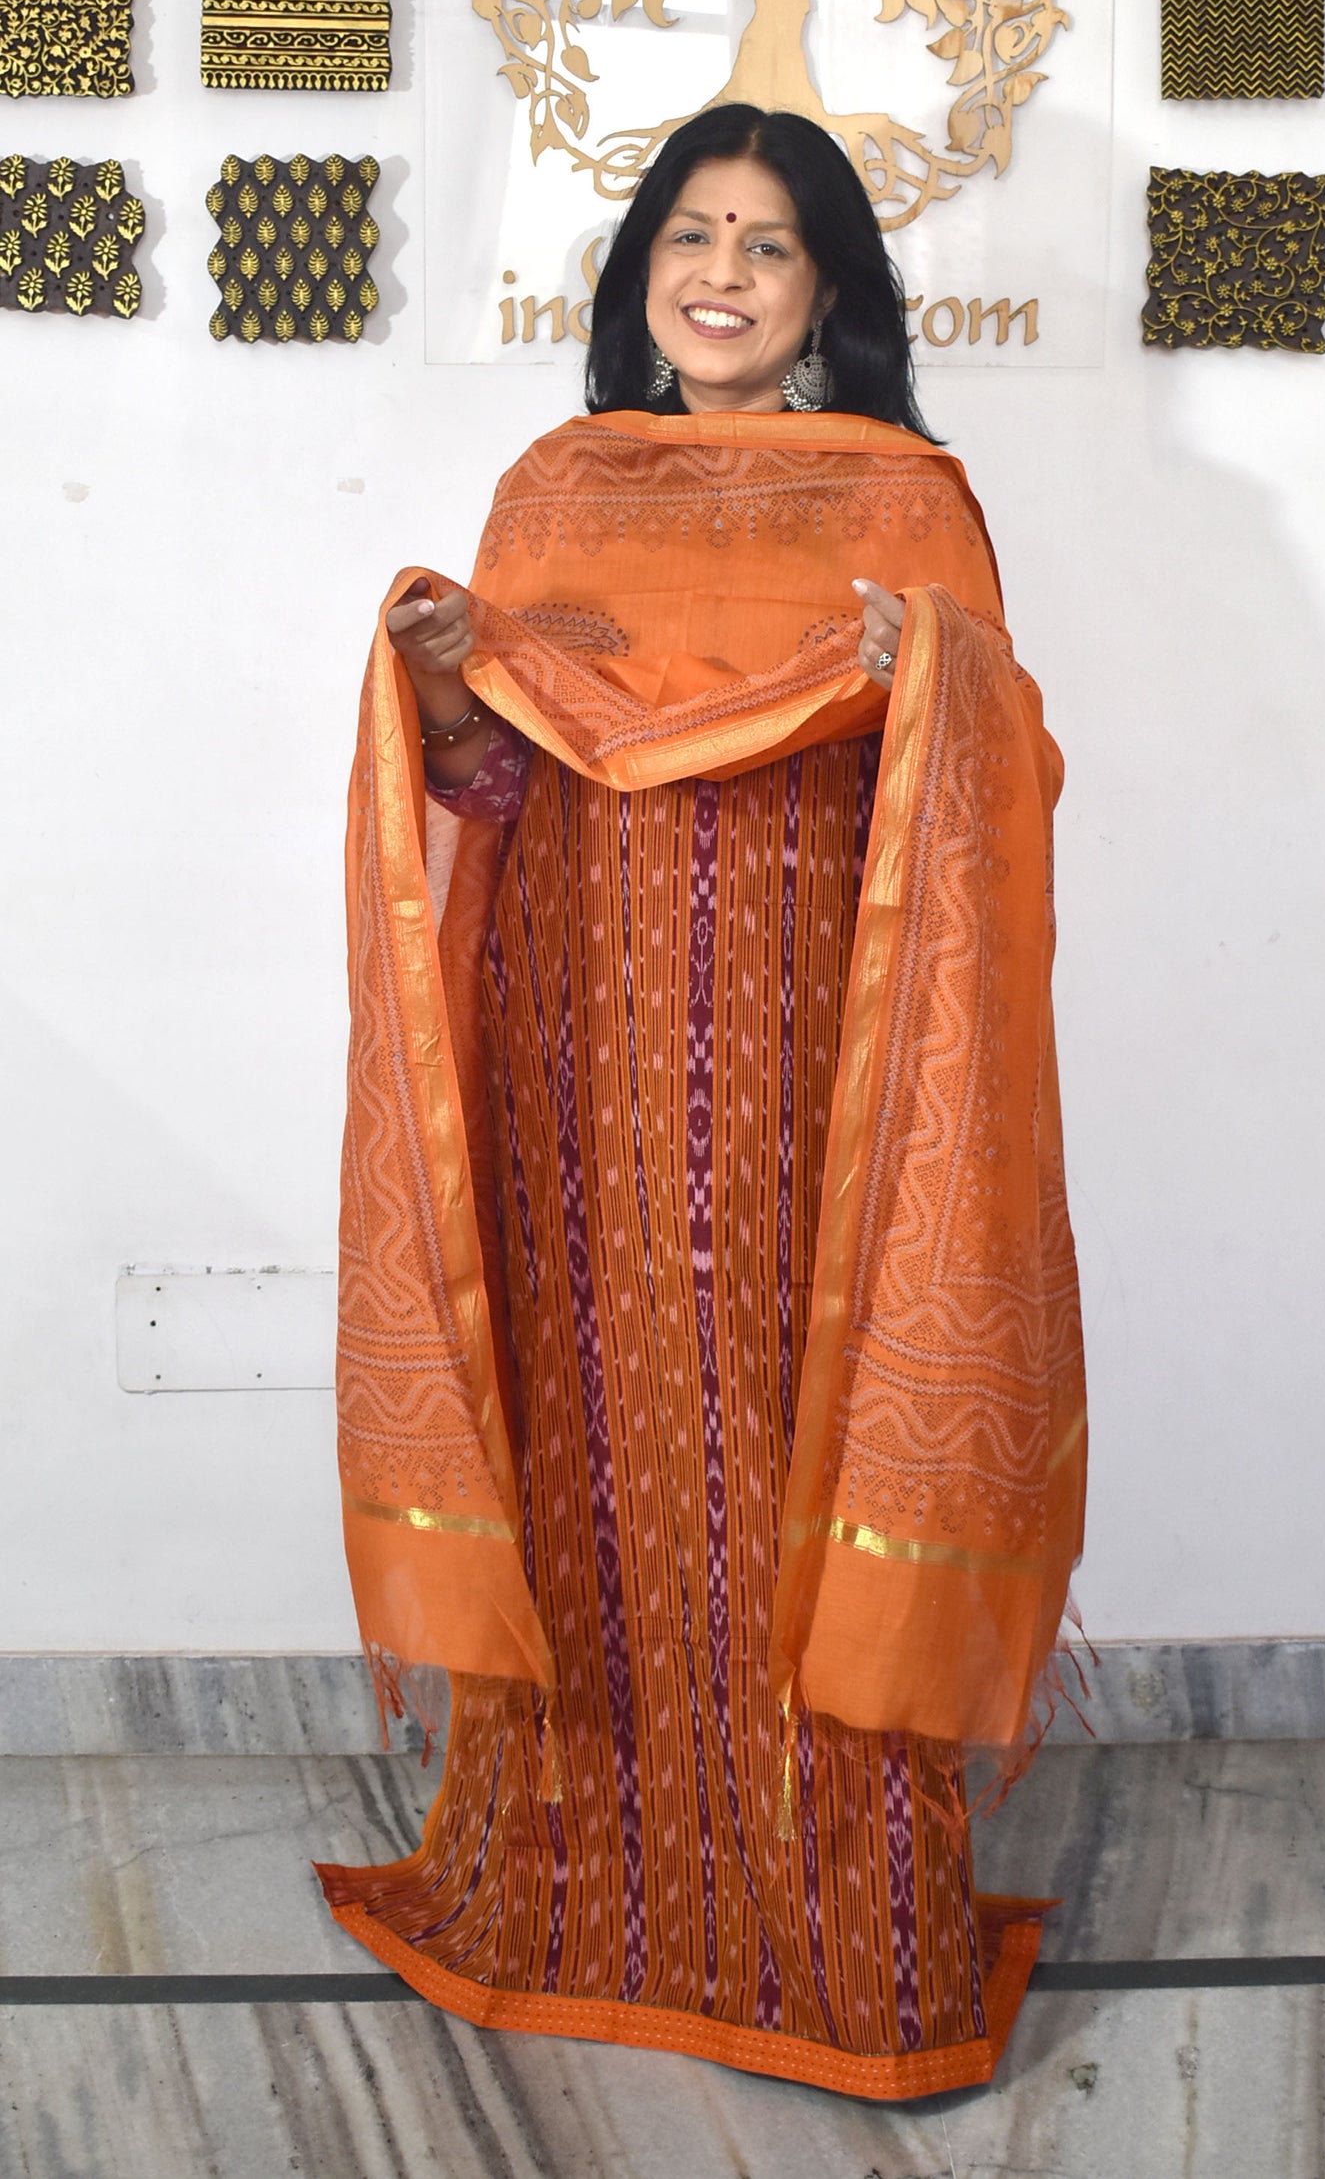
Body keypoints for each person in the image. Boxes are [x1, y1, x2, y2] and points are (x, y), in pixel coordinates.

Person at [317, 103, 1087, 2099]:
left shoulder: (904, 497)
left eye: (765, 244)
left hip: (810, 1049)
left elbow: (1002, 767)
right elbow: (492, 794)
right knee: (588, 1418)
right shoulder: (556, 488)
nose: (721, 274)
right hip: (576, 1033)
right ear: (640, 264)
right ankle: (572, 1894)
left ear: (828, 291)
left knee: (786, 1412)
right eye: (690, 233)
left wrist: (932, 677)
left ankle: (842, 1934)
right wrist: (444, 688)